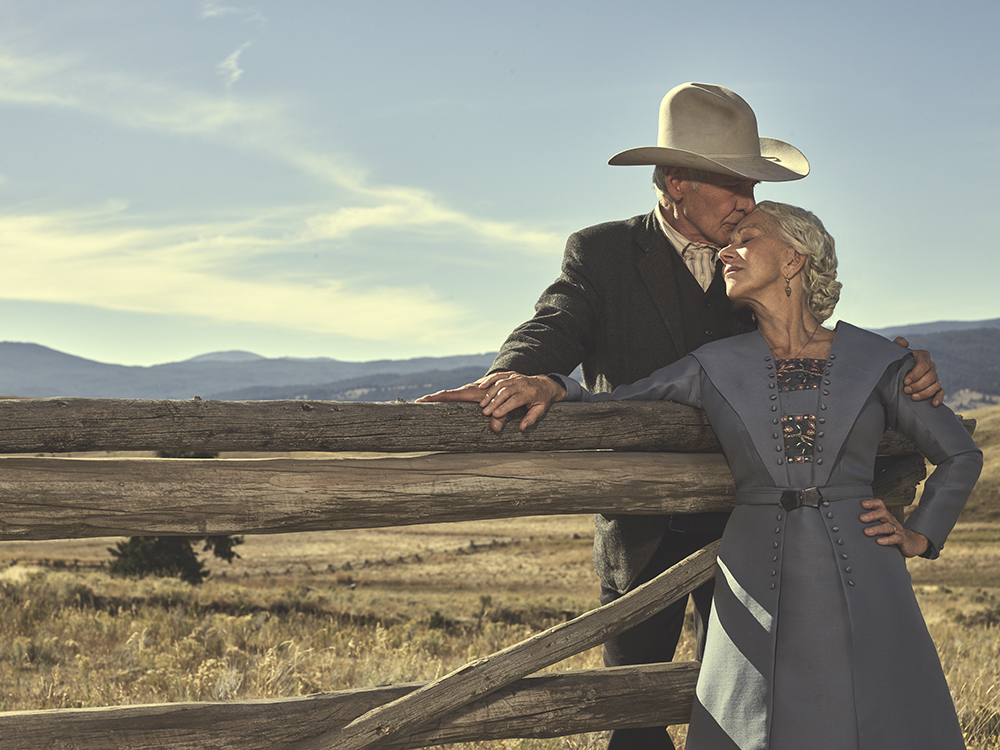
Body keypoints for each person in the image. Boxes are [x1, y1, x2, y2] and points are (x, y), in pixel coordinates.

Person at [421, 201, 982, 749]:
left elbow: (959, 454)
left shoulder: (881, 359)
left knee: (876, 707)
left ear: (793, 260)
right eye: (727, 241)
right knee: (752, 715)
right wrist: (546, 383)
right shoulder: (712, 364)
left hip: (866, 564)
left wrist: (922, 534)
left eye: (747, 238)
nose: (726, 252)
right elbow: (617, 402)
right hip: (752, 562)